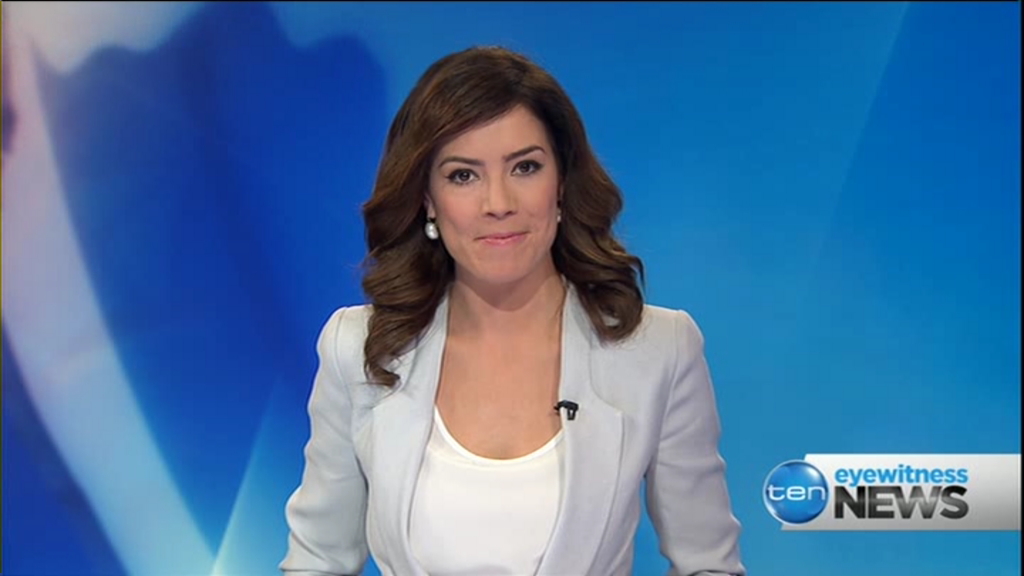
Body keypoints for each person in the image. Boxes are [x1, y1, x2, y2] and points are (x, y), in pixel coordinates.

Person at [280, 45, 745, 576]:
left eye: (525, 167)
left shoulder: (659, 349)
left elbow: (708, 564)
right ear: (427, 198)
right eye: (463, 175)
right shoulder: (357, 348)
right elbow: (317, 561)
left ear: (561, 182)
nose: (498, 203)